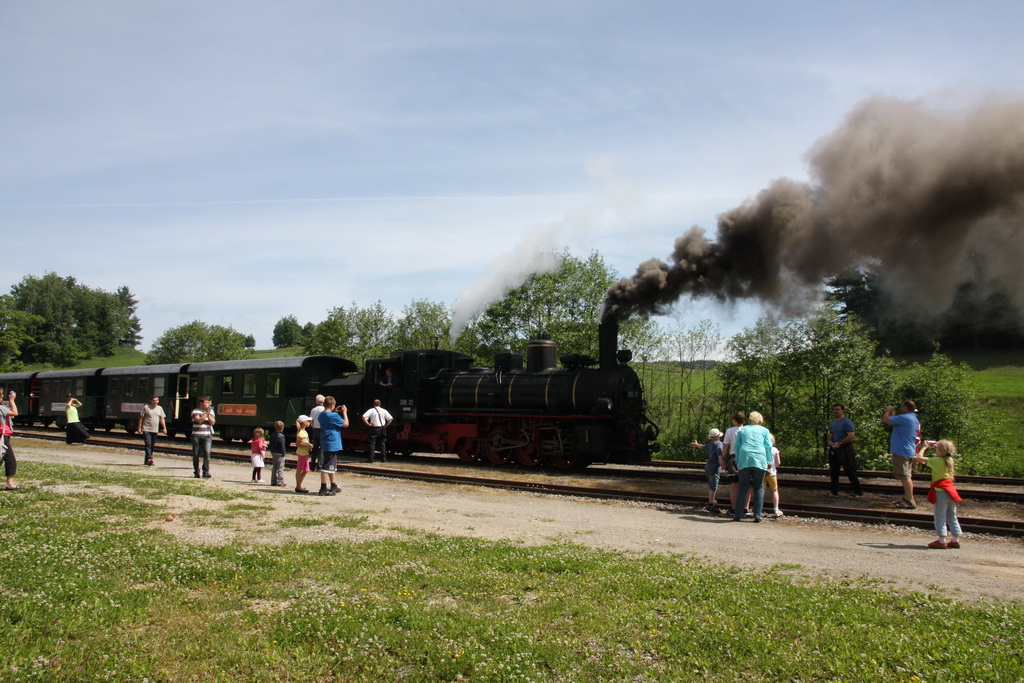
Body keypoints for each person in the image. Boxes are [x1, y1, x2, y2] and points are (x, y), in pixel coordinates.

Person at [913, 439, 962, 549]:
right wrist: (937, 446)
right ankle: (955, 539)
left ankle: (941, 540)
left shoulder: (937, 461)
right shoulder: (949, 460)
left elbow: (918, 458)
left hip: (941, 492)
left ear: (940, 450)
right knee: (952, 516)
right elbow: (943, 454)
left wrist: (924, 447)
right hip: (951, 491)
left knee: (940, 516)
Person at [732, 411, 773, 523]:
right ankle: (757, 515)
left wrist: (739, 460)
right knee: (759, 488)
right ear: (760, 420)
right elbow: (768, 446)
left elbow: (737, 446)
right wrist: (768, 460)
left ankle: (738, 514)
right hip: (760, 459)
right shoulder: (764, 431)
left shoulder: (743, 430)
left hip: (745, 458)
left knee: (743, 487)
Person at [884, 400, 921, 509]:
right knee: (906, 476)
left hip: (902, 451)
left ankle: (910, 500)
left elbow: (886, 420)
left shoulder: (905, 418)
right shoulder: (912, 418)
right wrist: (892, 414)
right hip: (908, 450)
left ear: (905, 407)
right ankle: (906, 497)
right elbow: (894, 421)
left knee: (905, 477)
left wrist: (888, 411)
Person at [826, 404, 864, 498]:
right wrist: (830, 441)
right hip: (835, 448)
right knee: (834, 470)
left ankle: (858, 492)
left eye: (838, 409)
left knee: (849, 470)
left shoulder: (847, 422)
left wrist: (841, 443)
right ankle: (834, 492)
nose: (836, 411)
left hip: (845, 448)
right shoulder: (834, 423)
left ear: (842, 411)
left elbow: (851, 435)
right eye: (834, 409)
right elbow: (832, 434)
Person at [316, 396, 348, 496]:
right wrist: (344, 412)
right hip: (332, 442)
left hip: (325, 441)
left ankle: (333, 485)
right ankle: (323, 488)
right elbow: (346, 424)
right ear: (332, 405)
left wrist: (335, 411)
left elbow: (329, 417)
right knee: (326, 466)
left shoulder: (321, 415)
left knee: (331, 465)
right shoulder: (333, 416)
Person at [690, 428, 723, 511]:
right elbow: (719, 454)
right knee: (714, 486)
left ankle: (712, 500)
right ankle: (711, 502)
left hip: (708, 467)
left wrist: (696, 445)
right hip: (715, 467)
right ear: (719, 436)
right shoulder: (719, 444)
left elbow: (703, 446)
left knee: (711, 484)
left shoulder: (710, 444)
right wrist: (723, 463)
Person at [720, 412, 745, 514]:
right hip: (746, 457)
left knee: (734, 484)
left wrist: (722, 459)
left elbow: (725, 445)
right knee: (746, 484)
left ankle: (734, 508)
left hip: (734, 457)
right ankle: (745, 508)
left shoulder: (730, 431)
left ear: (734, 420)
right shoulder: (747, 430)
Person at [137, 395, 167, 466]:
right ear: (151, 401)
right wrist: (139, 428)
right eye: (154, 400)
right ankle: (150, 458)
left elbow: (162, 418)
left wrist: (164, 427)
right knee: (148, 444)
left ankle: (146, 460)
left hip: (155, 430)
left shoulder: (160, 408)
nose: (155, 402)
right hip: (146, 429)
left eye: (156, 400)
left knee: (152, 445)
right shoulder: (146, 407)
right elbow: (141, 418)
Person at [191, 396, 216, 479]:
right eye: (206, 402)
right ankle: (196, 472)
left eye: (209, 402)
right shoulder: (195, 411)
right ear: (201, 403)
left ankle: (206, 471)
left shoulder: (211, 411)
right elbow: (199, 420)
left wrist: (208, 415)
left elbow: (212, 422)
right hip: (196, 435)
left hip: (207, 435)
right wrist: (206, 414)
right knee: (196, 454)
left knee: (207, 454)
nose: (208, 404)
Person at [362, 399, 394, 463]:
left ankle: (371, 459)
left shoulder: (371, 410)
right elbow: (390, 419)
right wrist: (385, 426)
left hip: (374, 428)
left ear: (373, 404)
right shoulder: (384, 410)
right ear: (380, 404)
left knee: (372, 443)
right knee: (382, 443)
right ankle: (383, 459)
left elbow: (363, 416)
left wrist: (368, 424)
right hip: (382, 428)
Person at [0, 389, 18, 490]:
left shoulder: (2, 408)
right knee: (9, 460)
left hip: (4, 435)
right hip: (2, 436)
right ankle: (10, 484)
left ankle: (10, 483)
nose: (2, 396)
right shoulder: (1, 408)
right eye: (1, 395)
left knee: (9, 459)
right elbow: (14, 413)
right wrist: (12, 400)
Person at [294, 415, 312, 493]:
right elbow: (298, 444)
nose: (309, 422)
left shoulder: (304, 431)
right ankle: (298, 486)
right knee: (299, 469)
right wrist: (307, 445)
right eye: (307, 421)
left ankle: (299, 485)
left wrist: (308, 446)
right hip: (302, 453)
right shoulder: (301, 433)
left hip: (305, 453)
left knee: (306, 469)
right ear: (303, 423)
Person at [765, 440, 783, 518]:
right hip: (772, 473)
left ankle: (758, 509)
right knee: (774, 490)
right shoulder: (775, 450)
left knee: (760, 491)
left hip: (762, 473)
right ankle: (776, 509)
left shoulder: (762, 449)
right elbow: (778, 462)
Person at [308, 394, 325, 472]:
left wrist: (313, 426)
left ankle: (312, 466)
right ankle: (320, 466)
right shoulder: (324, 409)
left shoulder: (313, 410)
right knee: (321, 449)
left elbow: (311, 420)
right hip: (322, 429)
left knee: (315, 448)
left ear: (316, 401)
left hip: (315, 429)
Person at [268, 420, 287, 486]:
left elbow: (270, 444)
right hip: (280, 454)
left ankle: (273, 481)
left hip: (274, 453)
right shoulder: (281, 436)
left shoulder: (273, 435)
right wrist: (284, 453)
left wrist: (272, 451)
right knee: (280, 468)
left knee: (274, 468)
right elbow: (282, 445)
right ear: (283, 427)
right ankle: (280, 481)